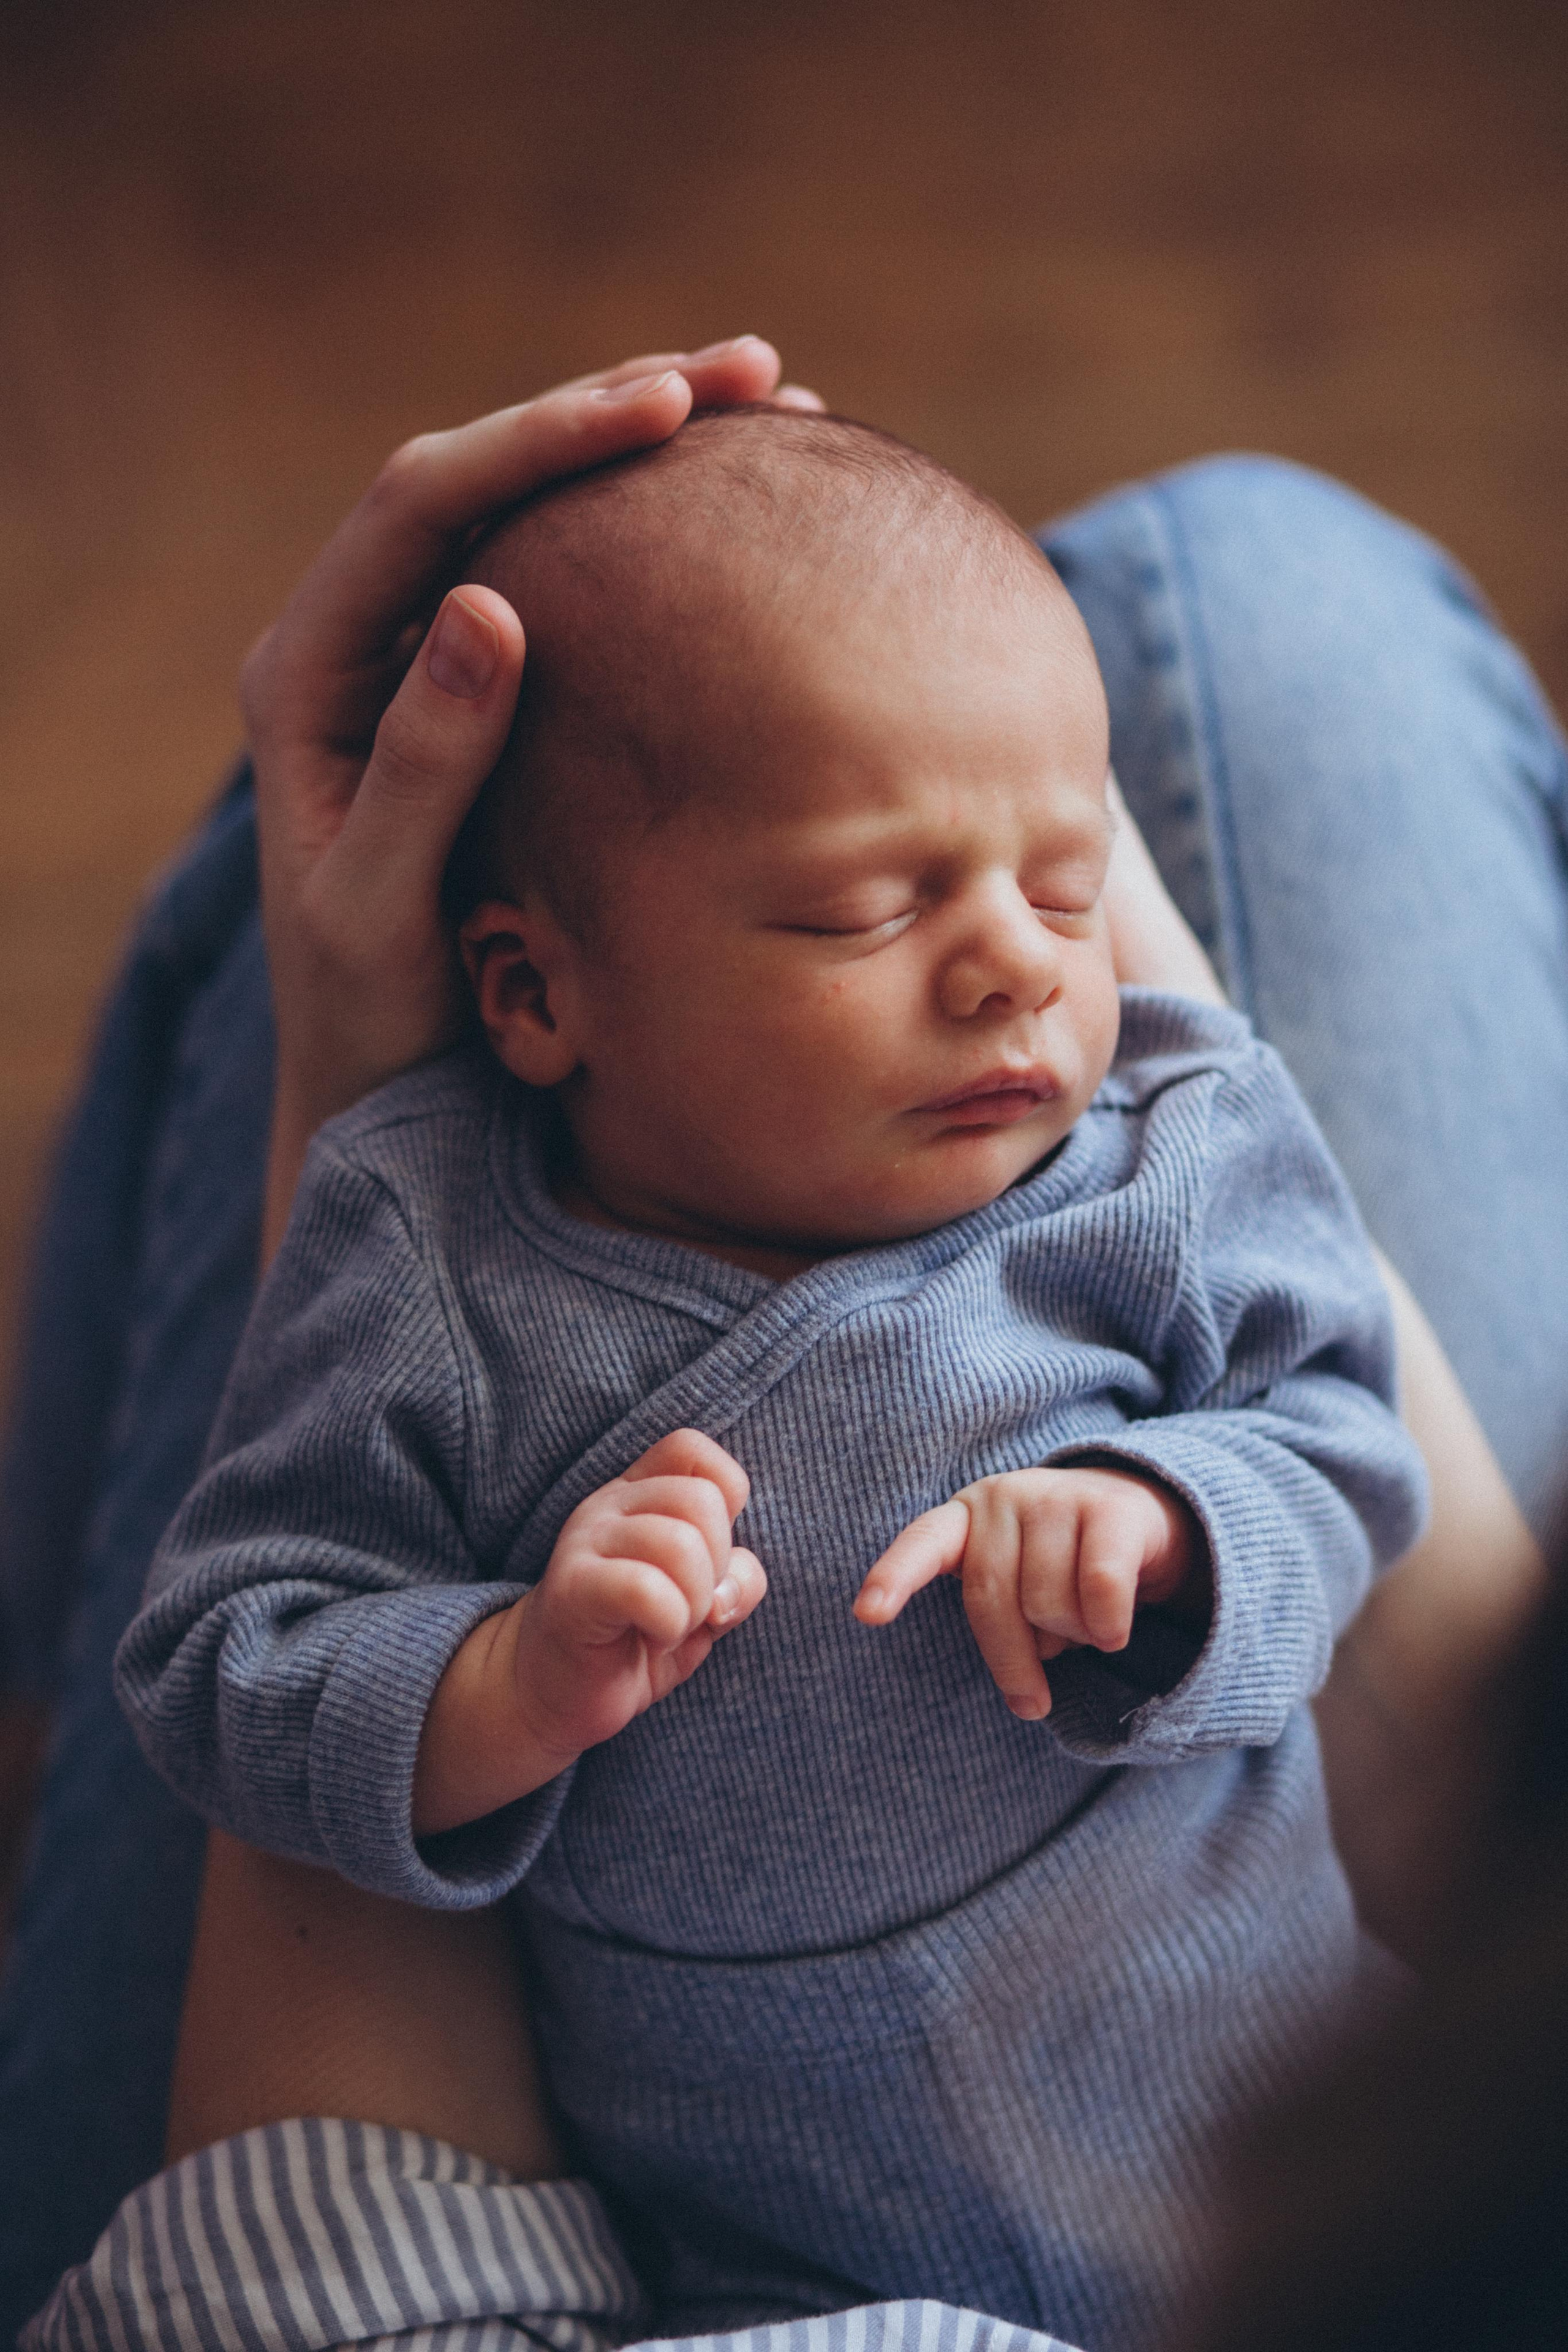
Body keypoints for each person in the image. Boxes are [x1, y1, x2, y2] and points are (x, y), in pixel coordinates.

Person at [1, 340, 1558, 2339]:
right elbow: (235, 1655)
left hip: (1253, 2161)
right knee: (1233, 571)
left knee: (269, 849)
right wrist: (483, 1679)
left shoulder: (1159, 1141)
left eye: (1069, 889)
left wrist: (1179, 1531)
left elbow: (1333, 1445)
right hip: (784, 2242)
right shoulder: (445, 1263)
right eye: (859, 913)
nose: (1018, 961)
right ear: (535, 1000)